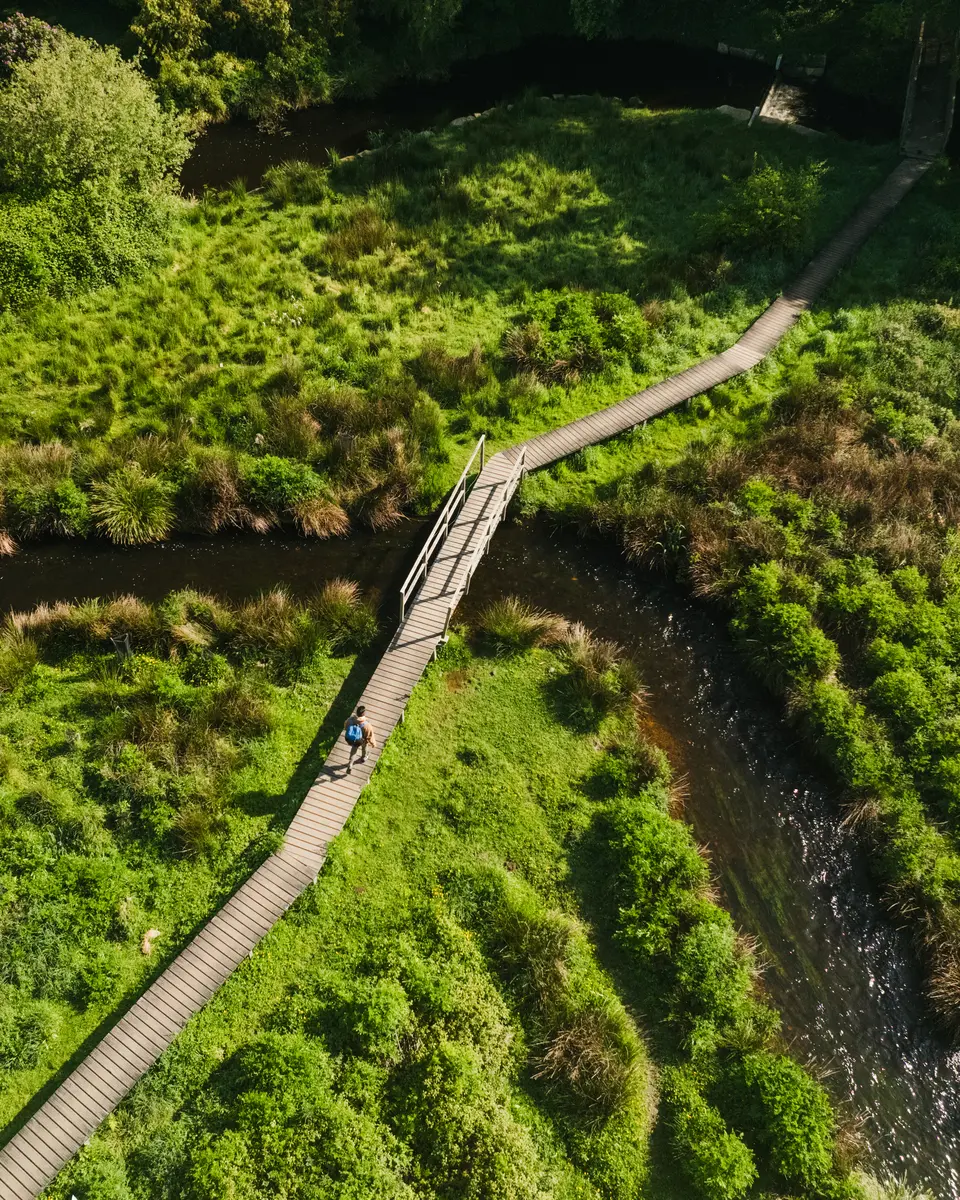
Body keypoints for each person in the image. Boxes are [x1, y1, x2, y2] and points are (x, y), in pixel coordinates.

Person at [344, 704, 375, 772]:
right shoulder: (366, 724)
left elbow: (346, 727)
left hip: (352, 739)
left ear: (357, 712)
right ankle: (364, 757)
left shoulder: (350, 720)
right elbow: (369, 735)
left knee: (354, 750)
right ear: (363, 713)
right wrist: (373, 743)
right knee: (364, 746)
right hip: (361, 740)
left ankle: (350, 764)